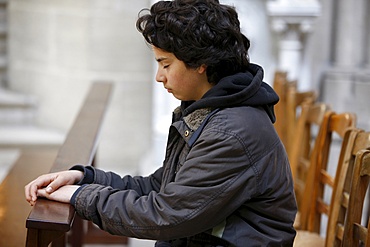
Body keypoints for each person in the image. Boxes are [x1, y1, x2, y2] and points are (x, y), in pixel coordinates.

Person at [25, 0, 297, 246]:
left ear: (200, 62)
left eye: (165, 64)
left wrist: (81, 197)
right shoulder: (213, 110)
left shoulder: (230, 131)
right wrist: (85, 178)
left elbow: (166, 215)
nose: (159, 77)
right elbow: (162, 187)